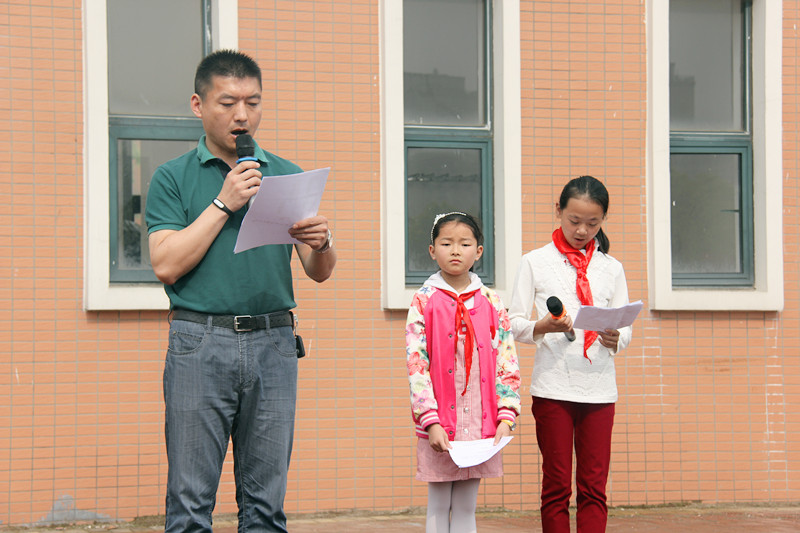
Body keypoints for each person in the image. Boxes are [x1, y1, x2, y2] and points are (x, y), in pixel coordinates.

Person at [145, 49, 337, 533]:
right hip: (199, 342)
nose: (242, 115)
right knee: (190, 504)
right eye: (228, 102)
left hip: (274, 343)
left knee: (266, 507)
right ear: (198, 105)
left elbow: (318, 271)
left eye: (253, 102)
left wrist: (323, 243)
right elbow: (165, 263)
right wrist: (224, 202)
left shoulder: (286, 174)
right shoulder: (172, 177)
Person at [508, 176, 632, 533]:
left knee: (594, 487)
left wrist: (615, 337)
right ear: (558, 211)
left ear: (603, 219)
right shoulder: (535, 262)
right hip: (553, 389)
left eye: (592, 223)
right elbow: (512, 323)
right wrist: (543, 326)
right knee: (557, 485)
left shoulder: (611, 268)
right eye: (574, 220)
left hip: (600, 389)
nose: (582, 231)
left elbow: (625, 326)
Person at [405, 212, 521, 533]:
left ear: (478, 251)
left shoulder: (491, 302)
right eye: (446, 243)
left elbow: (507, 360)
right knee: (438, 504)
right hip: (441, 425)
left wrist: (506, 416)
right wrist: (430, 422)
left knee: (467, 506)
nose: (455, 250)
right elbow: (416, 364)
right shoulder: (423, 301)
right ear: (432, 251)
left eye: (464, 243)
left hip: (480, 426)